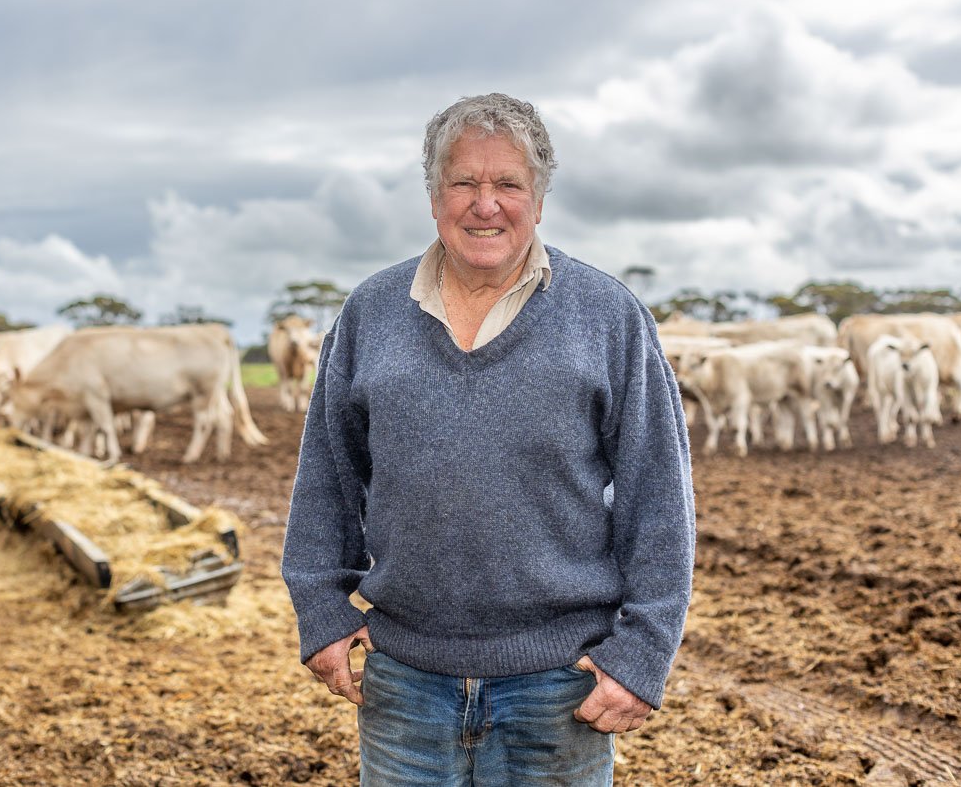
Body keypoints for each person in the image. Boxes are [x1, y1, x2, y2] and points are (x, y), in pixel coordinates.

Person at [281, 92, 695, 785]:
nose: (486, 203)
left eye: (508, 183)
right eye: (464, 182)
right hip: (405, 683)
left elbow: (658, 494)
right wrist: (320, 606)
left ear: (538, 198)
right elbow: (327, 472)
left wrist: (644, 652)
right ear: (434, 194)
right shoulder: (370, 314)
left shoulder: (607, 316)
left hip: (559, 687)